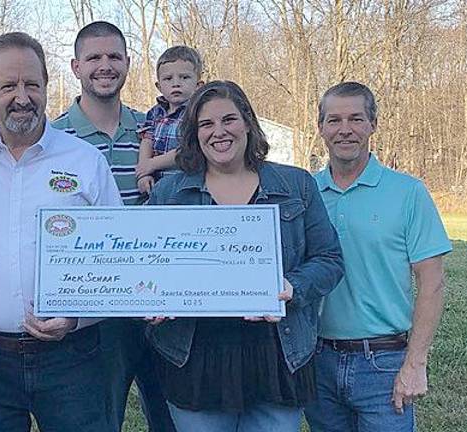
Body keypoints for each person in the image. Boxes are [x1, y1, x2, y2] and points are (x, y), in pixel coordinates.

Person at [0, 32, 122, 432]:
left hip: (72, 359)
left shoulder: (85, 161)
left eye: (32, 85)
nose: (22, 97)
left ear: (46, 87)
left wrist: (75, 319)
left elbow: (118, 265)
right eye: (8, 85)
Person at [145, 80, 344, 431]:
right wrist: (149, 301)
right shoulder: (170, 192)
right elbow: (144, 268)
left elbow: (329, 259)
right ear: (194, 133)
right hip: (195, 358)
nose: (218, 132)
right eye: (206, 124)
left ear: (248, 123)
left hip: (277, 354)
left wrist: (292, 287)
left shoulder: (296, 185)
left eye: (229, 120)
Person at [305, 81, 452, 432]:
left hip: (383, 362)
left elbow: (432, 282)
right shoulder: (306, 193)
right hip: (317, 360)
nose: (345, 130)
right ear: (321, 128)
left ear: (373, 124)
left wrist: (415, 363)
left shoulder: (408, 192)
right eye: (334, 120)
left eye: (356, 119)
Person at [52, 21, 176, 432]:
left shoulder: (156, 134)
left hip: (161, 300)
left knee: (172, 417)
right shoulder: (52, 139)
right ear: (75, 66)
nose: (104, 66)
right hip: (95, 314)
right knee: (99, 420)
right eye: (94, 58)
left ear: (127, 63)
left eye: (114, 57)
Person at [135, 45, 203, 194]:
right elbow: (147, 140)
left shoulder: (198, 112)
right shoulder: (155, 113)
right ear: (159, 86)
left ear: (198, 85)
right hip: (158, 187)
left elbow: (190, 149)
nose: (176, 83)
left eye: (184, 77)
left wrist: (152, 164)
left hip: (189, 186)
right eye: (168, 78)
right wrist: (143, 173)